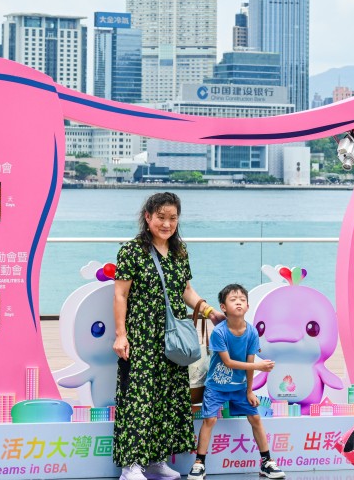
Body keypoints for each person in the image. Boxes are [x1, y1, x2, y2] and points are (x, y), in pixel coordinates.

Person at [113, 192, 226, 480]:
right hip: (142, 334)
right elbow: (120, 294)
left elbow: (185, 290)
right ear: (147, 217)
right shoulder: (132, 250)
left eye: (172, 218)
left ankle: (156, 462)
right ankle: (132, 466)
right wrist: (121, 334)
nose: (166, 223)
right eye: (161, 217)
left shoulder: (180, 251)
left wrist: (210, 311)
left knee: (168, 397)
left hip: (173, 335)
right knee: (139, 397)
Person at [187, 283, 284, 480]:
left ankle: (267, 462)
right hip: (216, 386)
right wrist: (258, 367)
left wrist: (249, 390)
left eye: (242, 300)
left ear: (247, 306)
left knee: (255, 418)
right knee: (210, 420)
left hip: (239, 387)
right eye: (233, 300)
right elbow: (228, 362)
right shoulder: (219, 332)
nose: (238, 302)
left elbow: (249, 361)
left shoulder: (252, 333)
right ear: (223, 307)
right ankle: (199, 463)